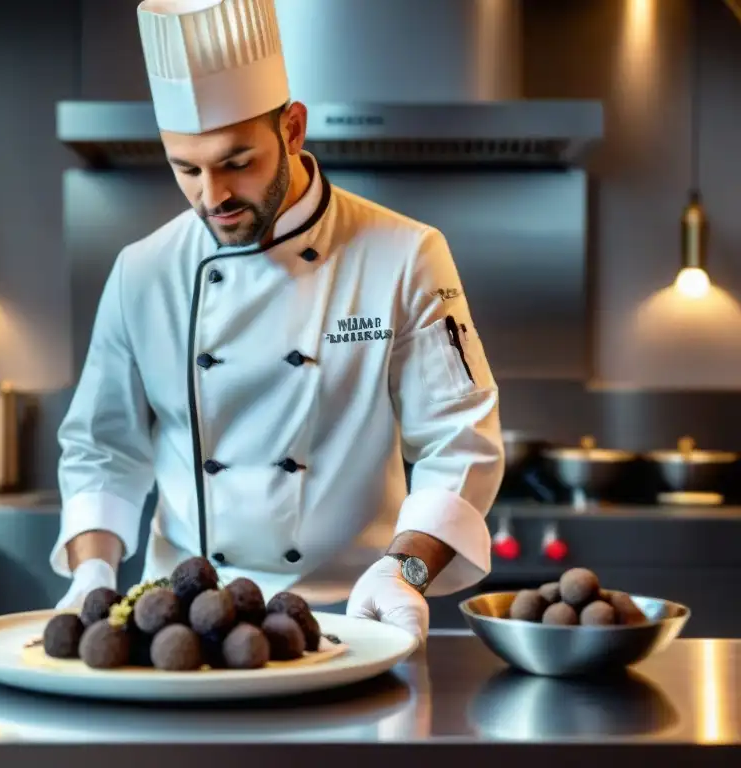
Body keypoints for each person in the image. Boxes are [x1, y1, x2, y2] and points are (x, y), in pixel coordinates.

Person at [49, 0, 504, 647]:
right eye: (186, 168)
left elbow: (460, 439)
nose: (213, 197)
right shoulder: (141, 271)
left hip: (351, 620)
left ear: (292, 129)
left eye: (237, 162)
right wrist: (90, 573)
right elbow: (101, 448)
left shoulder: (404, 254)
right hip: (182, 630)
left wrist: (403, 571)